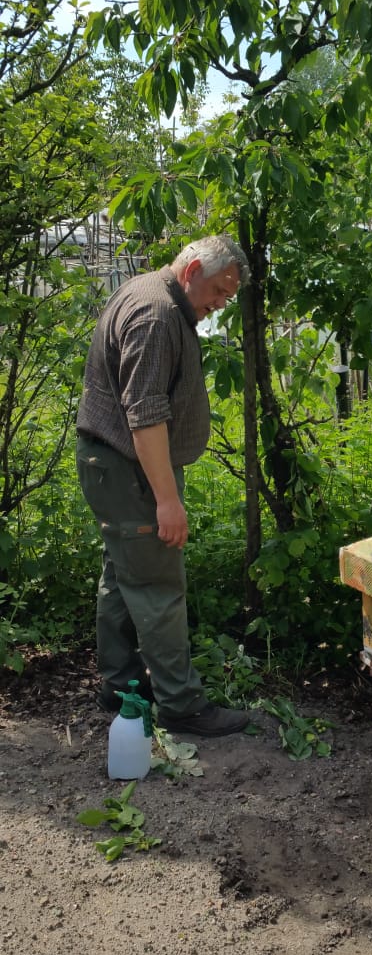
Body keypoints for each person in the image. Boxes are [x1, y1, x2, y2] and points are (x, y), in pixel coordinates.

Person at [76, 233, 252, 737]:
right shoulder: (156, 315)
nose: (220, 304)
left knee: (122, 576)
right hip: (131, 471)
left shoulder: (151, 293)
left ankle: (120, 685)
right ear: (193, 270)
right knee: (157, 586)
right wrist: (167, 501)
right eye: (218, 291)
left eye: (228, 296)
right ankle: (180, 705)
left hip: (114, 466)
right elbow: (145, 414)